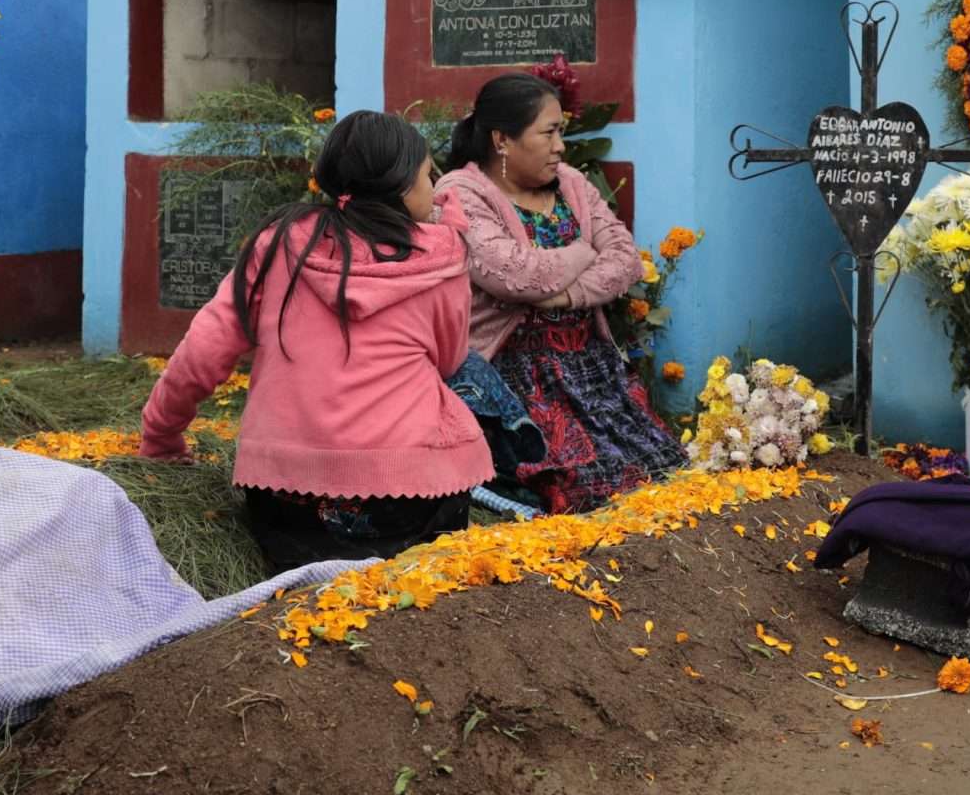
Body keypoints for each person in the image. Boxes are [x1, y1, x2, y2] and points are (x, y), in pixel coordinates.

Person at [140, 111, 491, 571]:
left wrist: (161, 438)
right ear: (404, 184)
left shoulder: (280, 243)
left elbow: (205, 348)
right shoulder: (441, 258)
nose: (437, 186)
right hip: (412, 498)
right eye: (430, 174)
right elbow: (449, 361)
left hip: (287, 500)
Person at [435, 75, 682, 513]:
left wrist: (566, 296)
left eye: (561, 133)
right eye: (548, 133)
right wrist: (583, 251)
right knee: (577, 491)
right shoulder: (461, 193)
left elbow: (625, 260)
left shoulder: (571, 184)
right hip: (515, 372)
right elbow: (516, 275)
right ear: (502, 141)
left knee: (662, 474)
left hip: (591, 366)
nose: (560, 147)